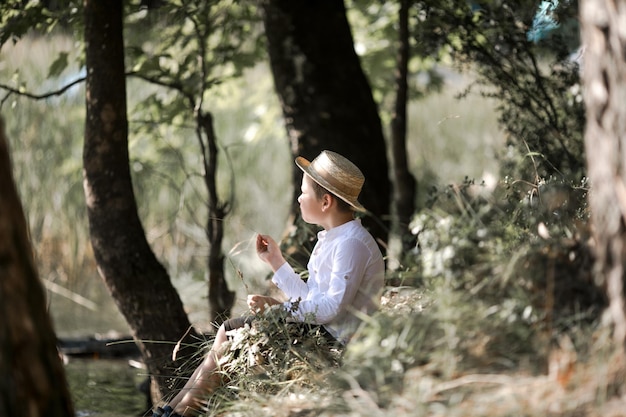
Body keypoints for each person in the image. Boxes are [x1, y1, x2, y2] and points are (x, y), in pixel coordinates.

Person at [154, 150, 385, 417]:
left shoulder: (351, 244)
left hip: (339, 342)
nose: (298, 198)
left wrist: (278, 310)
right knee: (229, 331)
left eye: (303, 192)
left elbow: (332, 308)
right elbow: (312, 298)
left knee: (231, 332)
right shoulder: (335, 239)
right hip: (325, 331)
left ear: (325, 202)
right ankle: (174, 409)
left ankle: (179, 412)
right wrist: (276, 261)